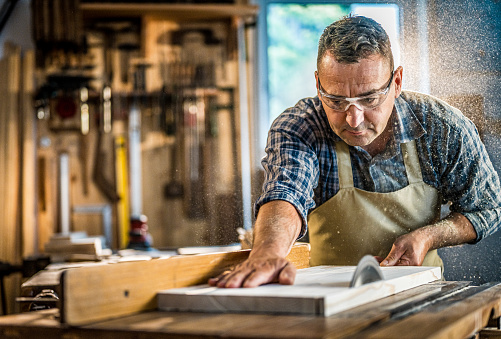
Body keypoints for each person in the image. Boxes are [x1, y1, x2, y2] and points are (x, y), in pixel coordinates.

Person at [209, 15, 501, 288]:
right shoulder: (301, 126)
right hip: (329, 298)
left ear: (396, 82)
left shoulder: (442, 127)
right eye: (335, 101)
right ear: (318, 84)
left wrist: (429, 236)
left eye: (370, 99)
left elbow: (489, 208)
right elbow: (285, 192)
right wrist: (268, 251)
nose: (353, 120)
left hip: (421, 294)